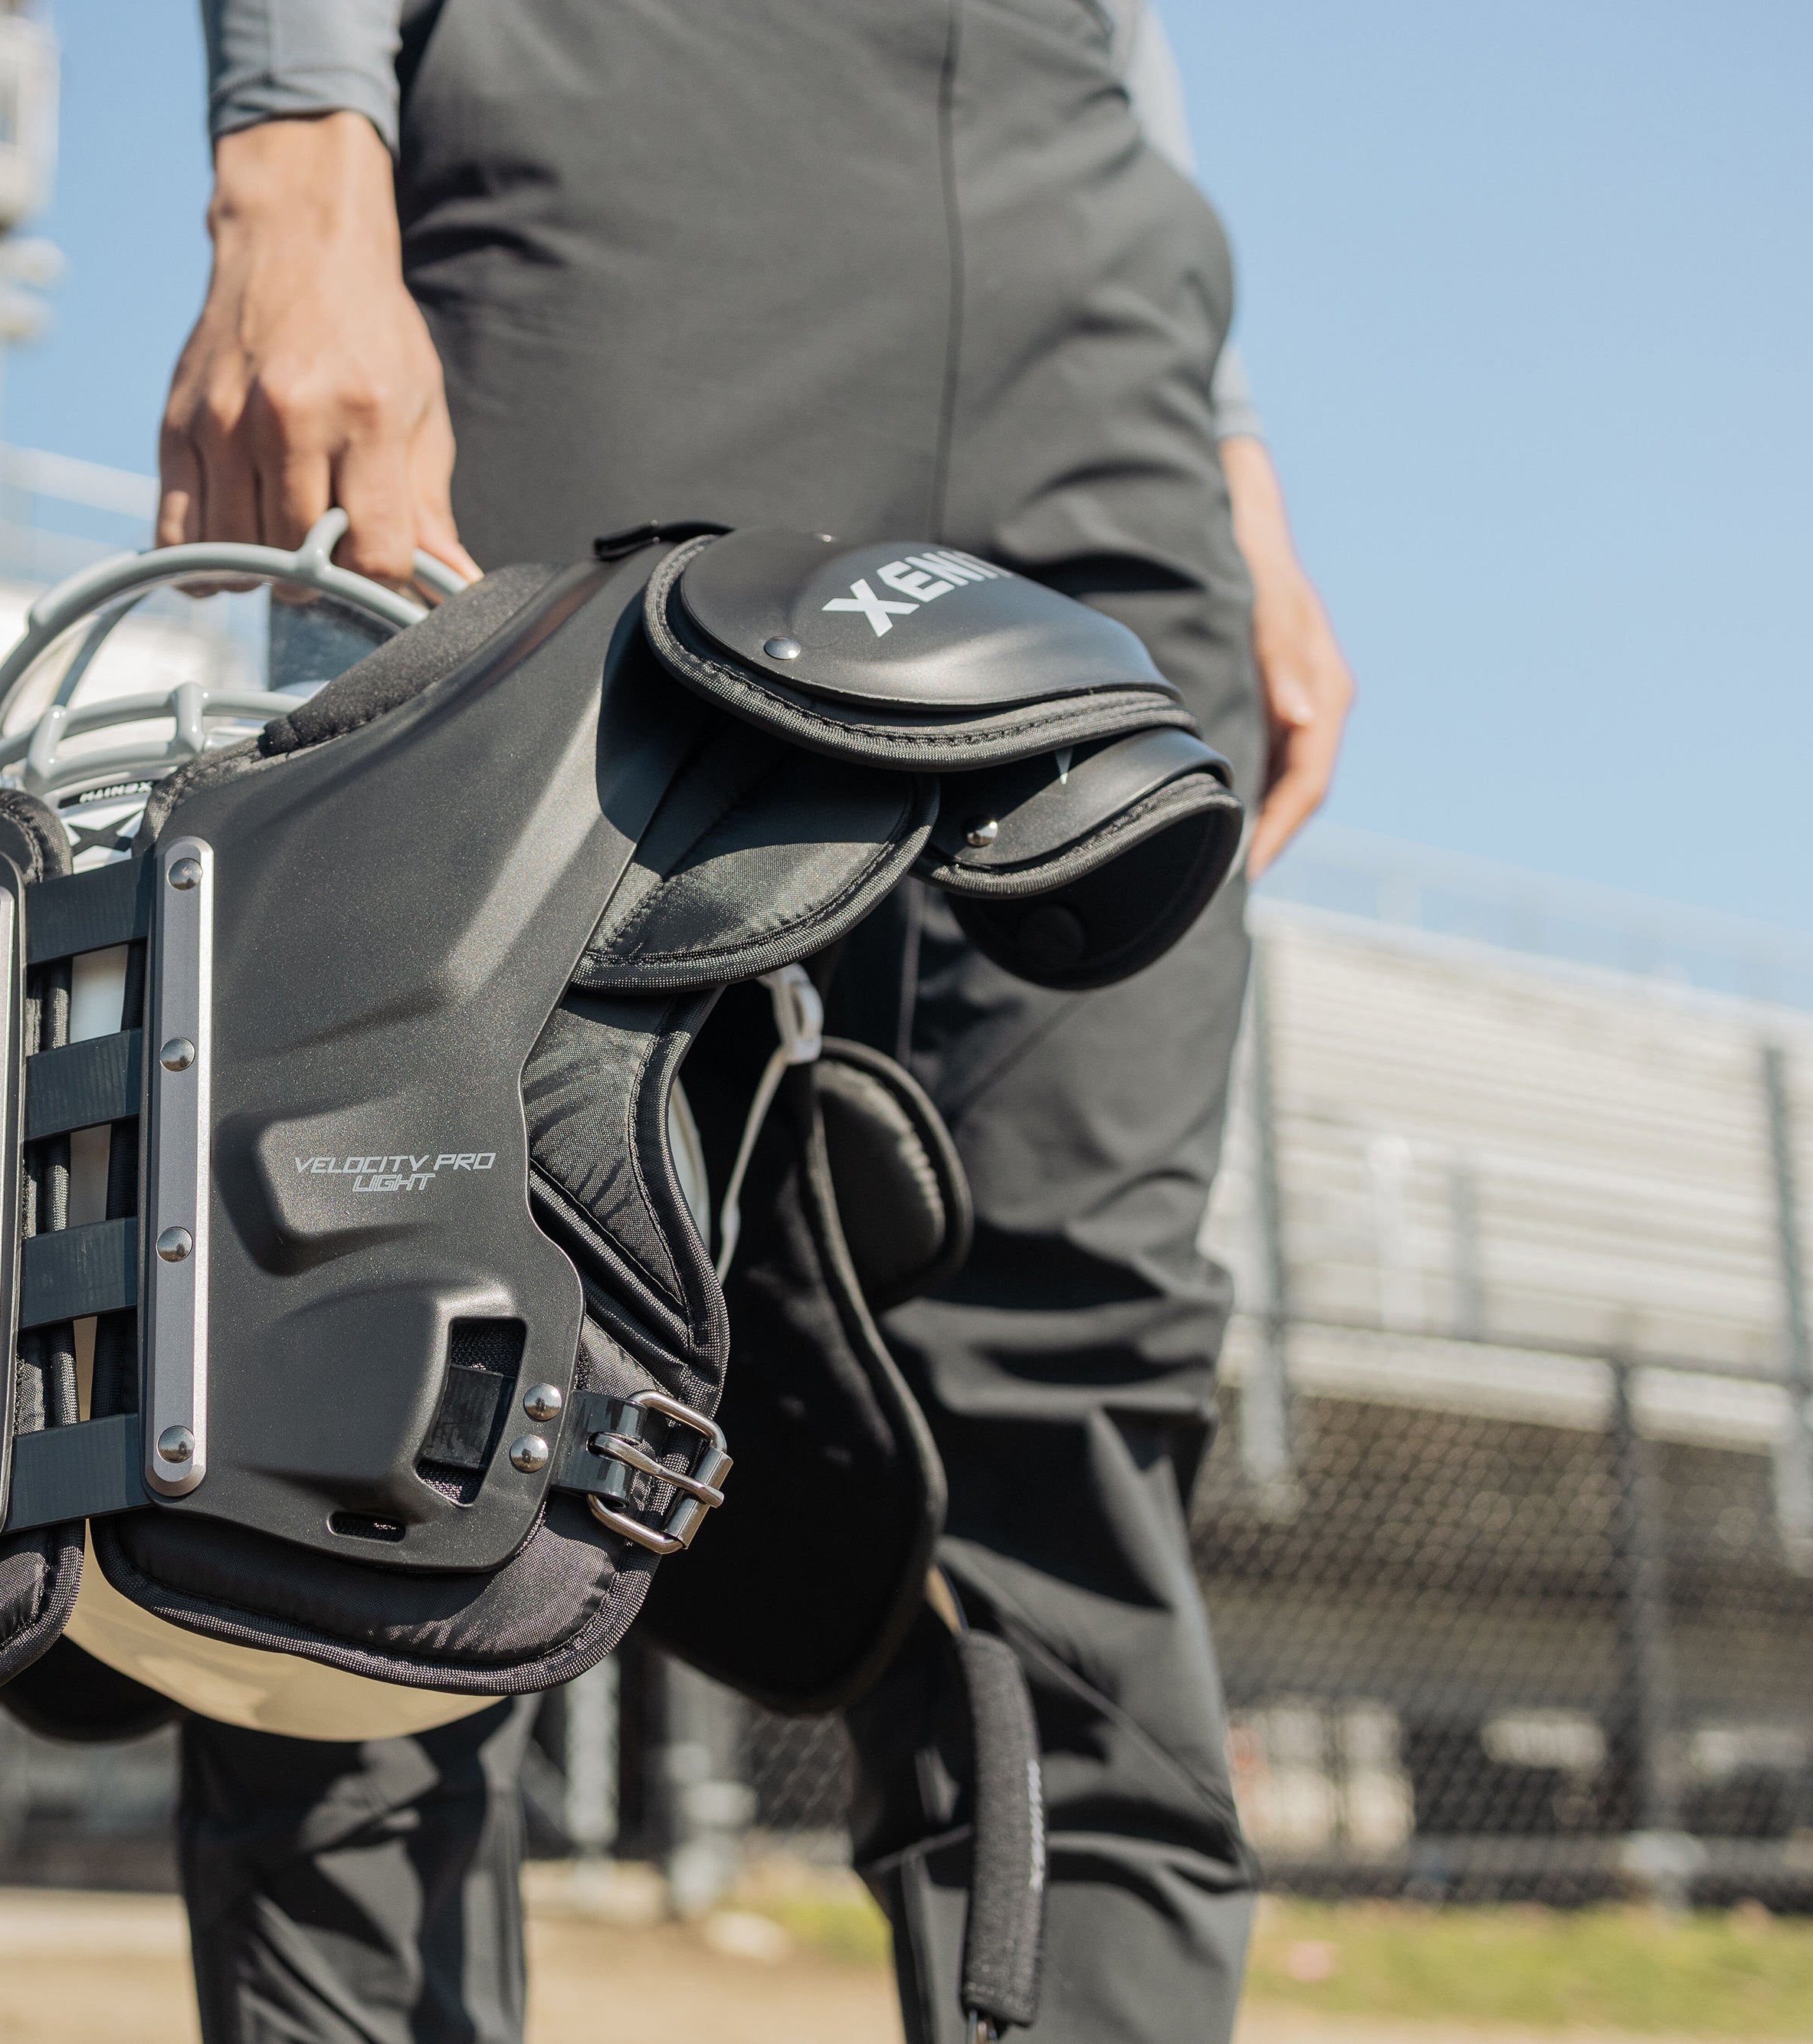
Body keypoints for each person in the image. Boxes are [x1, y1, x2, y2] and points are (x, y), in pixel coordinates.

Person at [152, 4, 1358, 2040]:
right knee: (397, 1284)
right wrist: (294, 147)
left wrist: (1226, 442)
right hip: (603, 170)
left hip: (1091, 299)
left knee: (1075, 1353)